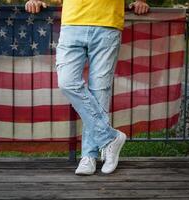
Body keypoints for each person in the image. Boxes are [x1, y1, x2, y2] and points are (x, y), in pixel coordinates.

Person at [25, 0, 149, 175]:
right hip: (72, 23)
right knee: (67, 82)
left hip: (107, 23)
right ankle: (110, 138)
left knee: (100, 92)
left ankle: (89, 157)